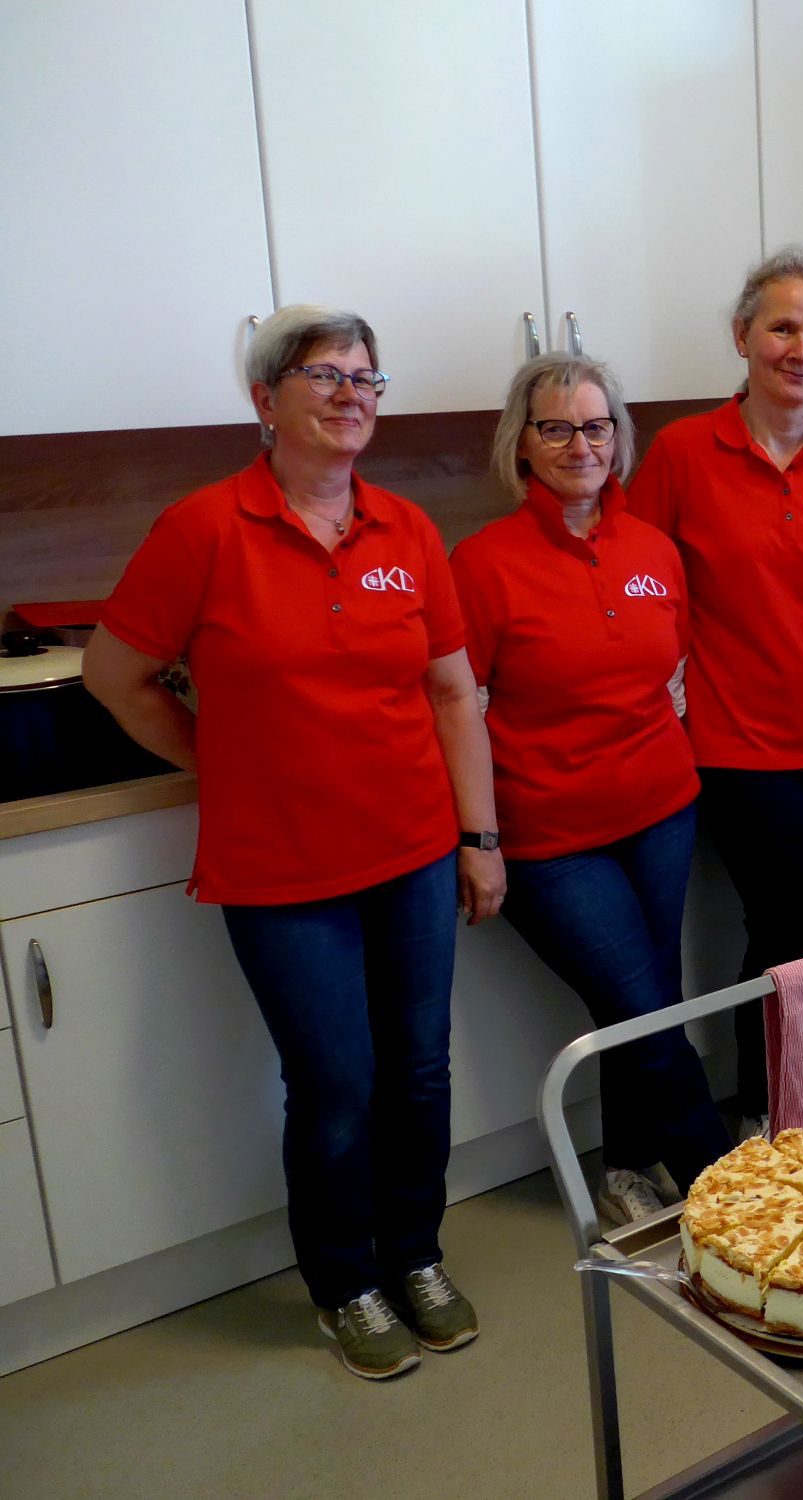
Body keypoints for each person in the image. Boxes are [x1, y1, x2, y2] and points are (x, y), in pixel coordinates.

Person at [83, 305, 501, 1381]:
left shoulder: (406, 530)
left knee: (418, 1072)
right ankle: (344, 1282)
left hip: (412, 850)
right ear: (265, 399)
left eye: (366, 377)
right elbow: (114, 676)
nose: (351, 394)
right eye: (325, 374)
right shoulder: (205, 529)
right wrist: (217, 760)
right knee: (335, 1085)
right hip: (280, 871)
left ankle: (415, 1256)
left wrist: (479, 836)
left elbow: (452, 692)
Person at [625, 248, 803, 1137]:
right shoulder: (683, 453)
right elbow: (641, 584)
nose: (802, 349)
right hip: (739, 743)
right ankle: (770, 1113)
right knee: (786, 924)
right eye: (784, 327)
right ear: (742, 335)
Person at [451, 353, 734, 1226]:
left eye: (597, 426)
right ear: (522, 443)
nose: (581, 445)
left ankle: (625, 1166)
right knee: (642, 1004)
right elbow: (458, 707)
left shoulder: (653, 549)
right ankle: (726, 1188)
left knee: (640, 997)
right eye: (557, 428)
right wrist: (478, 837)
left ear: (619, 437)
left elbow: (671, 676)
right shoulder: (483, 563)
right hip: (550, 835)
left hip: (660, 811)